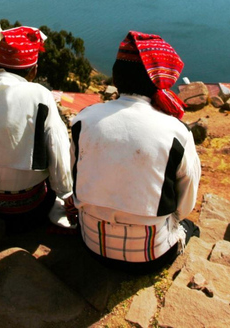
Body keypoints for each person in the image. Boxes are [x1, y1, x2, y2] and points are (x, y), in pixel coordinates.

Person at [68, 31, 201, 273]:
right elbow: (185, 203)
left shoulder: (83, 119)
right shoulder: (176, 131)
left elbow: (75, 176)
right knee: (191, 227)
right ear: (159, 81)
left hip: (91, 244)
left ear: (116, 77)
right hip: (150, 257)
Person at [0, 26, 74, 230]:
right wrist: (66, 194)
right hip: (27, 208)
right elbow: (57, 148)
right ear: (33, 70)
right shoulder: (40, 96)